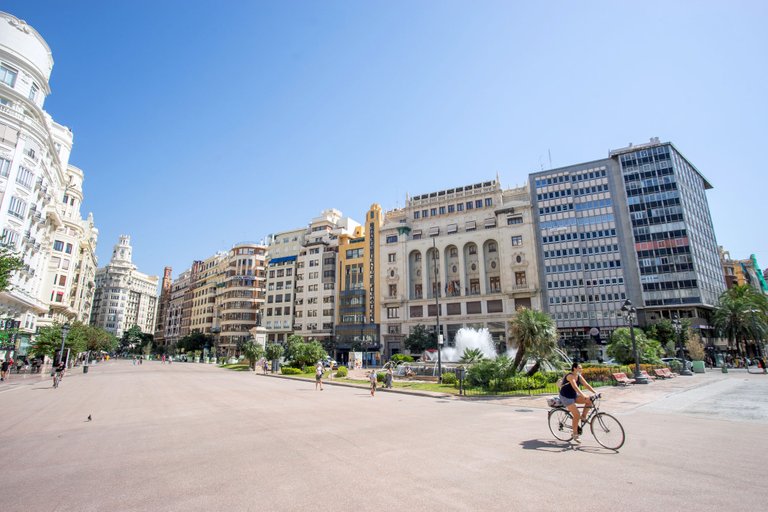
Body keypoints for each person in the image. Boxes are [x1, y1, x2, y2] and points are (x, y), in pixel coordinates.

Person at [558, 363, 596, 444]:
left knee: (590, 400)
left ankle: (583, 417)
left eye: (581, 368)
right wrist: (583, 395)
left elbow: (586, 385)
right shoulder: (570, 376)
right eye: (579, 368)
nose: (581, 369)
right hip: (566, 397)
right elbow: (575, 387)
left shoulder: (579, 376)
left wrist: (595, 392)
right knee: (576, 415)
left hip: (573, 395)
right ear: (574, 368)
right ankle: (575, 434)